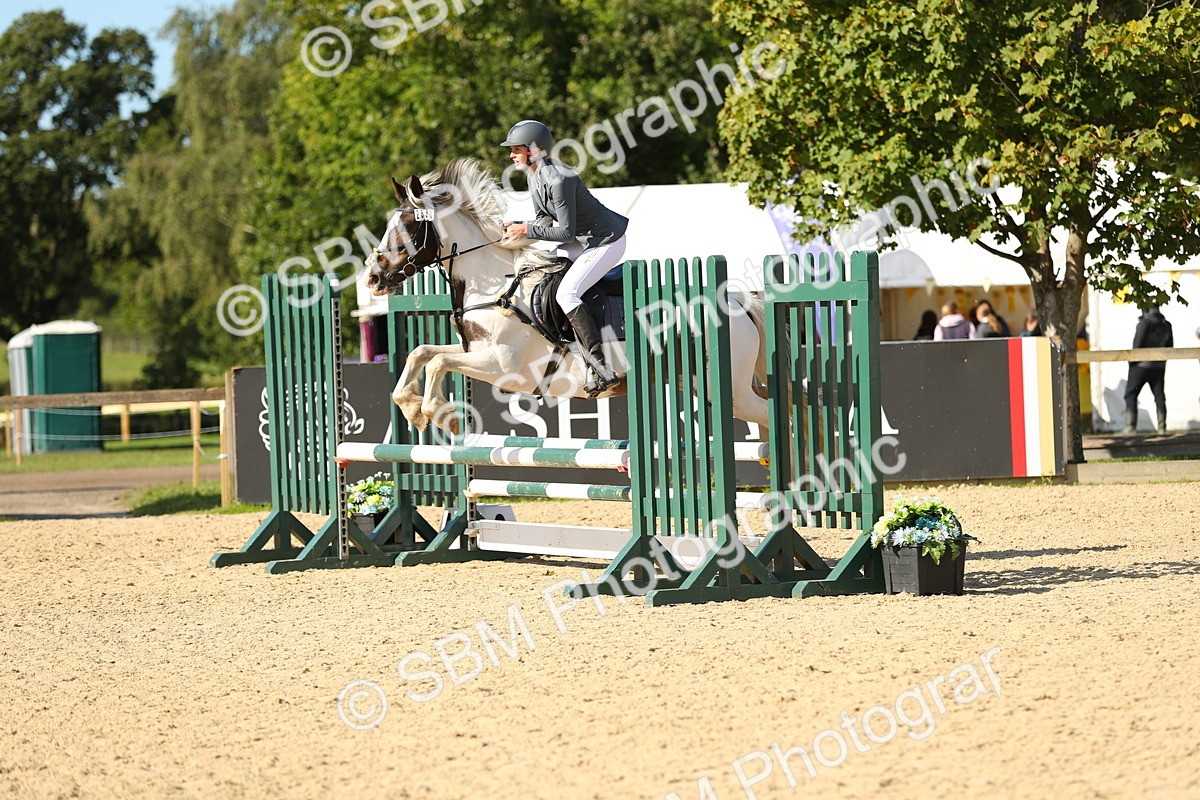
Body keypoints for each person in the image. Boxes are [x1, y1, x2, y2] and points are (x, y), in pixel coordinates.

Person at [501, 120, 629, 396]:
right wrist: (519, 226)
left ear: (533, 150)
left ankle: (601, 367)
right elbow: (544, 219)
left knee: (567, 294)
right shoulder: (534, 174)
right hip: (580, 240)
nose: (511, 155)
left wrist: (527, 229)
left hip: (605, 241)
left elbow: (564, 230)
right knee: (547, 277)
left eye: (515, 149)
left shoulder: (559, 179)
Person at [1123, 305, 1174, 434]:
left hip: (1141, 366)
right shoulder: (1167, 325)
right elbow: (1170, 346)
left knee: (1131, 394)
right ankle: (1162, 428)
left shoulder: (1144, 323)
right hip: (1159, 366)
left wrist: (1131, 363)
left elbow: (1137, 345)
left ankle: (1131, 428)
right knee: (1159, 396)